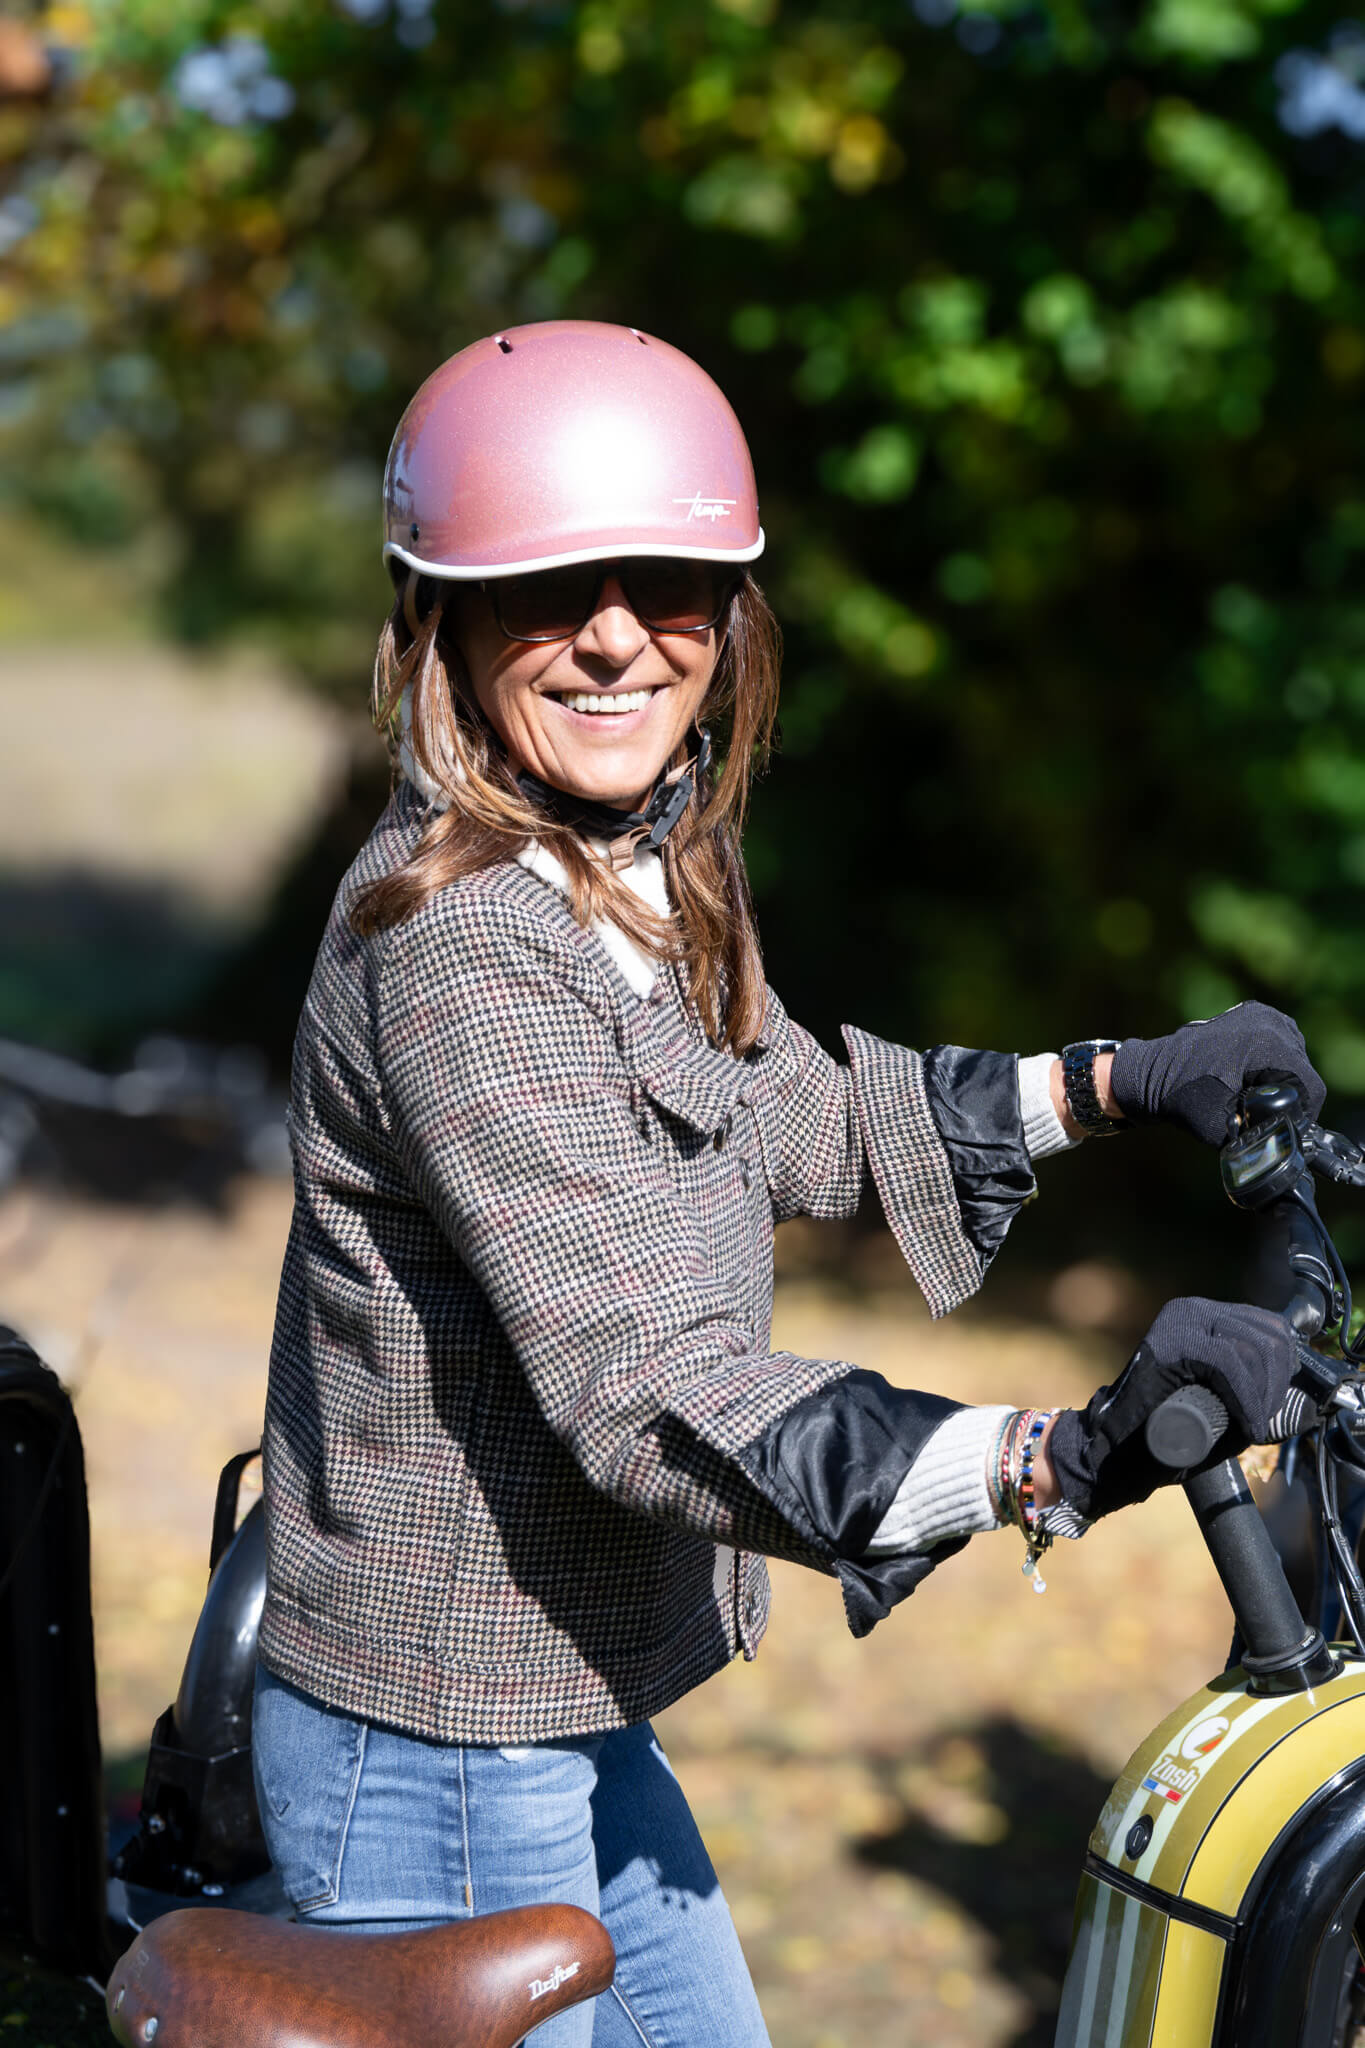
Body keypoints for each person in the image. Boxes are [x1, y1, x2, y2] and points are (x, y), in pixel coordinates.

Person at [252, 320, 1318, 2045]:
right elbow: (651, 1387)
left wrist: (1119, 1083)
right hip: (439, 1744)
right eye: (545, 588)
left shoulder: (637, 859)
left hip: (576, 1695)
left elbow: (783, 1106)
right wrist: (1059, 1454)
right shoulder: (457, 944)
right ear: (438, 623)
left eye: (663, 580)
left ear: (728, 609)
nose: (614, 637)